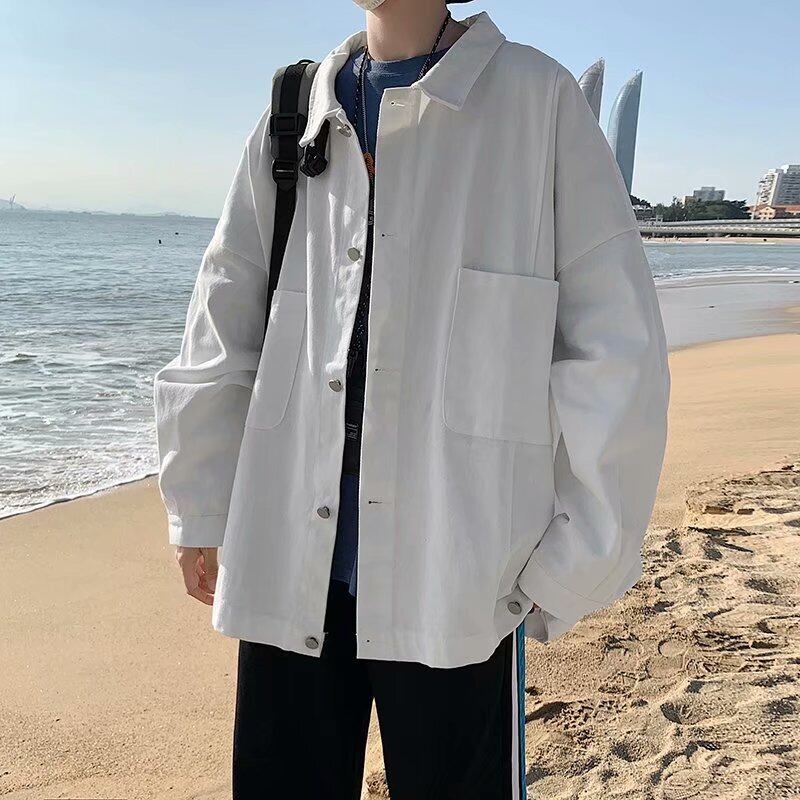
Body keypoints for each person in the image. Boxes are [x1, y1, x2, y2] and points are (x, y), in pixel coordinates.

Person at [152, 1, 671, 797]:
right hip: (289, 552)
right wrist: (199, 501)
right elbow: (224, 316)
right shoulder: (295, 108)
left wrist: (576, 561)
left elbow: (616, 348)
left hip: (458, 571)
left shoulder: (536, 102)